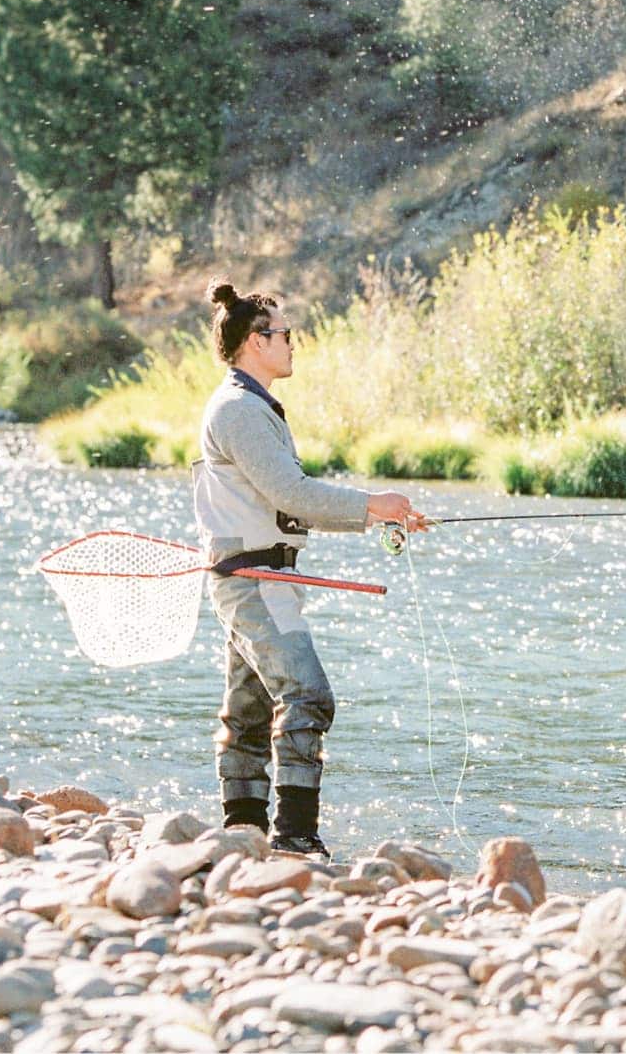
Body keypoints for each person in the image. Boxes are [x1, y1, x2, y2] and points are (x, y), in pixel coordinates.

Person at [193, 279, 432, 856]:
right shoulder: (239, 410)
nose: (292, 345)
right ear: (256, 341)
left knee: (250, 708)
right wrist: (374, 506)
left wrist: (378, 515)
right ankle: (295, 836)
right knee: (307, 695)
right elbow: (290, 492)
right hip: (256, 580)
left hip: (260, 577)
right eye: (284, 334)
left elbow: (282, 498)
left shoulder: (247, 406)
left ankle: (243, 832)